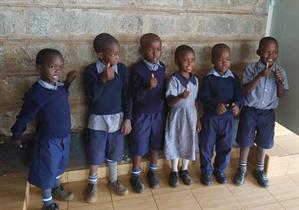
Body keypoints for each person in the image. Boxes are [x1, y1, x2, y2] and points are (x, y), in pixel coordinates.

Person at [11, 48, 77, 210]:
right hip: (48, 141)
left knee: (59, 165)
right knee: (47, 170)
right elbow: (25, 115)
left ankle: (55, 188)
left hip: (64, 137)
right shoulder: (36, 94)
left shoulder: (59, 87)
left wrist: (67, 82)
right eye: (52, 67)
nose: (57, 70)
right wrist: (17, 133)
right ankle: (47, 203)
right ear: (39, 69)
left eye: (60, 67)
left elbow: (60, 95)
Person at [233, 37, 289, 187]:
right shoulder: (250, 69)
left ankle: (259, 169)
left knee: (263, 141)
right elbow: (246, 90)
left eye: (274, 52)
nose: (271, 55)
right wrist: (259, 76)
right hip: (250, 110)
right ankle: (242, 168)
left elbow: (281, 94)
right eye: (267, 51)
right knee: (246, 140)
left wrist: (280, 81)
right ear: (259, 52)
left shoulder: (280, 71)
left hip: (268, 113)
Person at [84, 33, 132, 202]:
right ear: (100, 55)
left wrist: (128, 118)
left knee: (115, 152)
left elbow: (127, 96)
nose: (117, 57)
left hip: (118, 119)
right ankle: (92, 184)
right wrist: (102, 80)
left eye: (118, 53)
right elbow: (92, 96)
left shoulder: (123, 70)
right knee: (95, 153)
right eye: (113, 54)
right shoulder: (91, 71)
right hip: (98, 120)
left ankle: (113, 180)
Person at [199, 43, 243, 186]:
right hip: (211, 118)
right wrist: (215, 105)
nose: (225, 63)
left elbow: (240, 94)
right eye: (220, 60)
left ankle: (220, 170)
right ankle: (206, 171)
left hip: (228, 119)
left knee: (225, 146)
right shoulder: (209, 78)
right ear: (212, 60)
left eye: (228, 59)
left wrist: (237, 104)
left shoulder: (233, 78)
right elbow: (203, 97)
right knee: (206, 145)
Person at [129, 33, 166, 193]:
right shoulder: (137, 69)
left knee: (156, 143)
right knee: (139, 143)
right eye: (151, 50)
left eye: (158, 49)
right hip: (142, 114)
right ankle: (135, 174)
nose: (155, 53)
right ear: (142, 50)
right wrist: (147, 87)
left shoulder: (162, 67)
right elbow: (134, 96)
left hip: (158, 113)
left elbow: (164, 91)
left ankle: (152, 171)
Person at [164, 45, 201, 187]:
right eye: (185, 60)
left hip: (190, 116)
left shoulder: (195, 80)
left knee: (188, 141)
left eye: (192, 60)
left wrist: (198, 119)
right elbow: (170, 102)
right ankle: (173, 170)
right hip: (176, 116)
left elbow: (196, 101)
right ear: (177, 61)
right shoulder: (174, 80)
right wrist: (180, 96)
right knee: (174, 140)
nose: (189, 63)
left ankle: (184, 169)